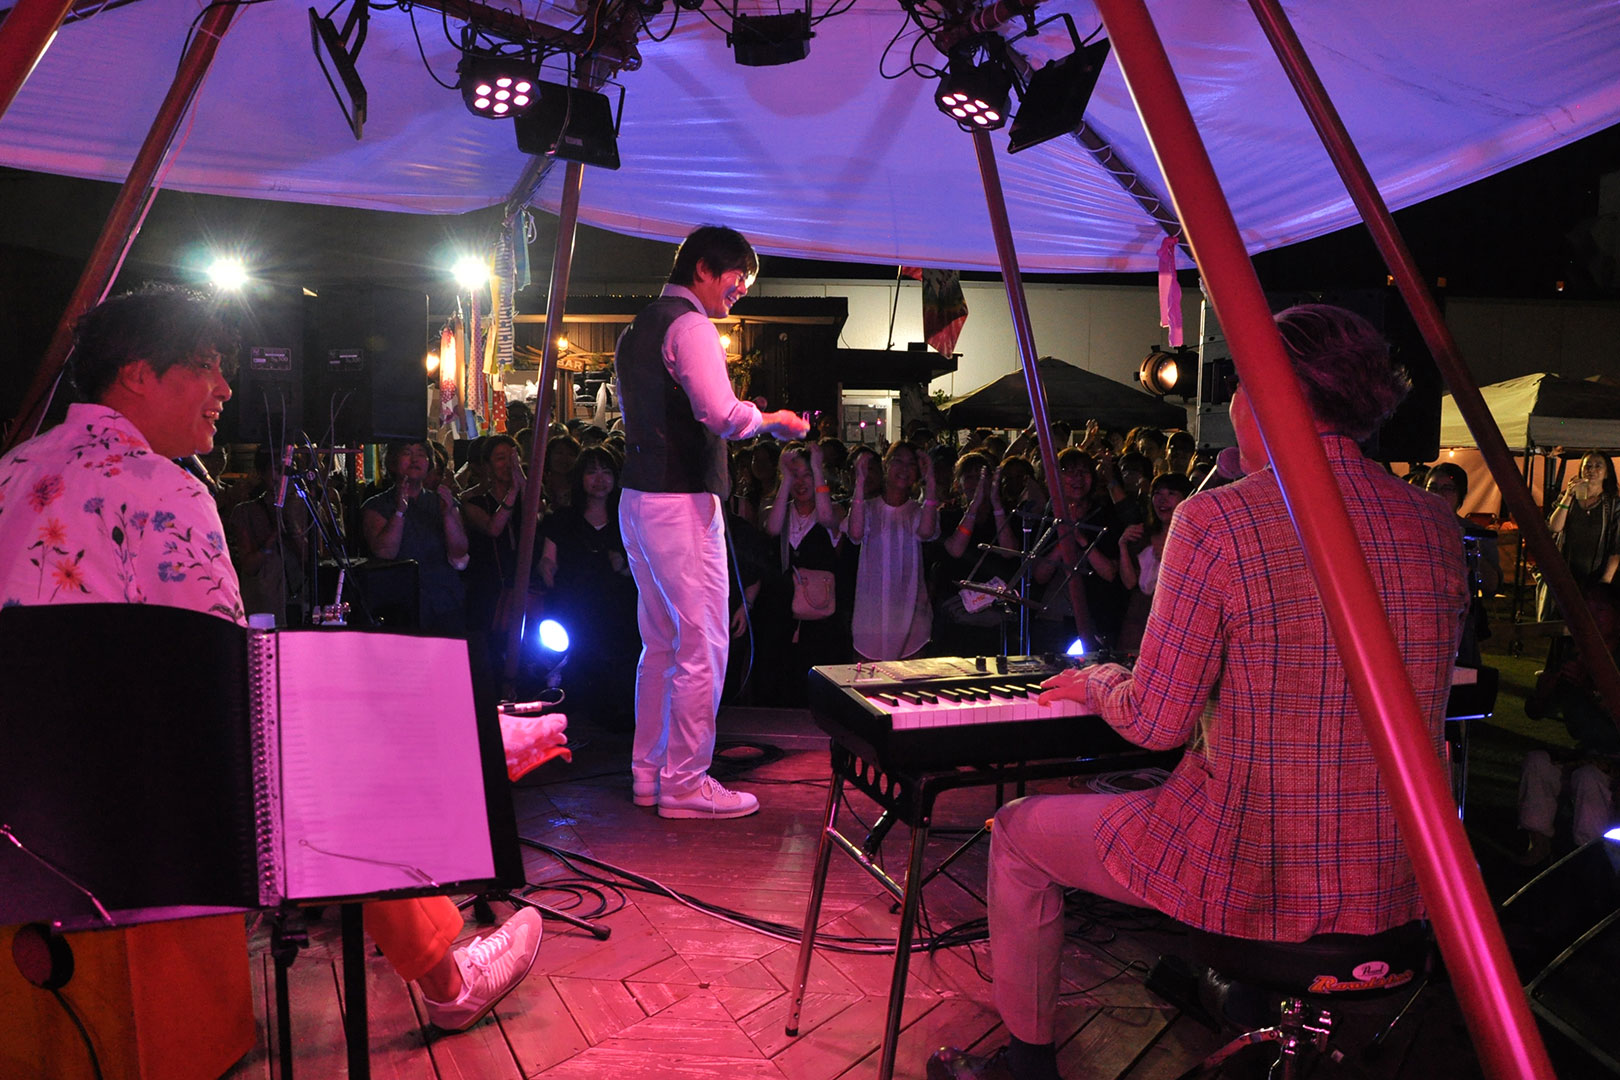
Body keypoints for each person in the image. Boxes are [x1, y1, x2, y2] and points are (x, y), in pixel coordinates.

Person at [927, 305, 1469, 1080]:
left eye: (1241, 385)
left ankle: (1027, 1068)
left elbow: (1156, 721)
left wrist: (1098, 680)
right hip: (1399, 881)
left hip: (1254, 867)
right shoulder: (1434, 523)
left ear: (1273, 393)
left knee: (1017, 834)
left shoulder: (1219, 520)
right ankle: (1245, 1001)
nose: (1233, 405)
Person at [0, 287, 543, 1035]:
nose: (226, 389)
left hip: (25, 803)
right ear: (137, 375)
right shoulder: (162, 489)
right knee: (326, 765)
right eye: (205, 366)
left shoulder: (11, 469)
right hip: (135, 809)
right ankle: (450, 979)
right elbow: (232, 683)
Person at [614, 224, 808, 819]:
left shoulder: (637, 326)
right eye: (738, 277)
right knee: (703, 643)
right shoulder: (691, 325)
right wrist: (773, 420)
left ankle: (650, 772)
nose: (742, 289)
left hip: (638, 499)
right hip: (679, 501)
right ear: (704, 268)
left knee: (661, 643)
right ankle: (685, 783)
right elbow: (721, 414)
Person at [361, 440, 471, 634]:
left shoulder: (442, 502)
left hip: (444, 600)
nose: (414, 459)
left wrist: (447, 515)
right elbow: (385, 552)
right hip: (398, 604)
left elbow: (460, 551)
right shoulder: (376, 505)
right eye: (407, 452)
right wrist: (399, 511)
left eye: (421, 454)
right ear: (392, 462)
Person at [849, 440, 940, 660]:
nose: (904, 469)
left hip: (911, 615)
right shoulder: (868, 508)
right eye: (898, 461)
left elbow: (927, 531)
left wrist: (930, 481)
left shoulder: (918, 511)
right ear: (886, 464)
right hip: (871, 617)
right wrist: (859, 482)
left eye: (911, 464)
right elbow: (855, 533)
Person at [1424, 461, 1500, 666]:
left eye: (1447, 488)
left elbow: (1492, 585)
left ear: (1461, 495)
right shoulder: (1414, 527)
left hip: (1460, 625)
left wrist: (1468, 548)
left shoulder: (1475, 533)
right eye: (1432, 487)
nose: (1438, 494)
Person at [1536, 451, 1620, 622]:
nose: (1592, 470)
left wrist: (1605, 582)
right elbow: (1554, 527)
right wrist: (1568, 496)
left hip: (1594, 576)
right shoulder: (1569, 497)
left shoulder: (1613, 505)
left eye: (1598, 466)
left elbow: (1616, 546)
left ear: (1607, 473)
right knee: (1557, 621)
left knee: (1588, 623)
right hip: (1563, 572)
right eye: (1587, 466)